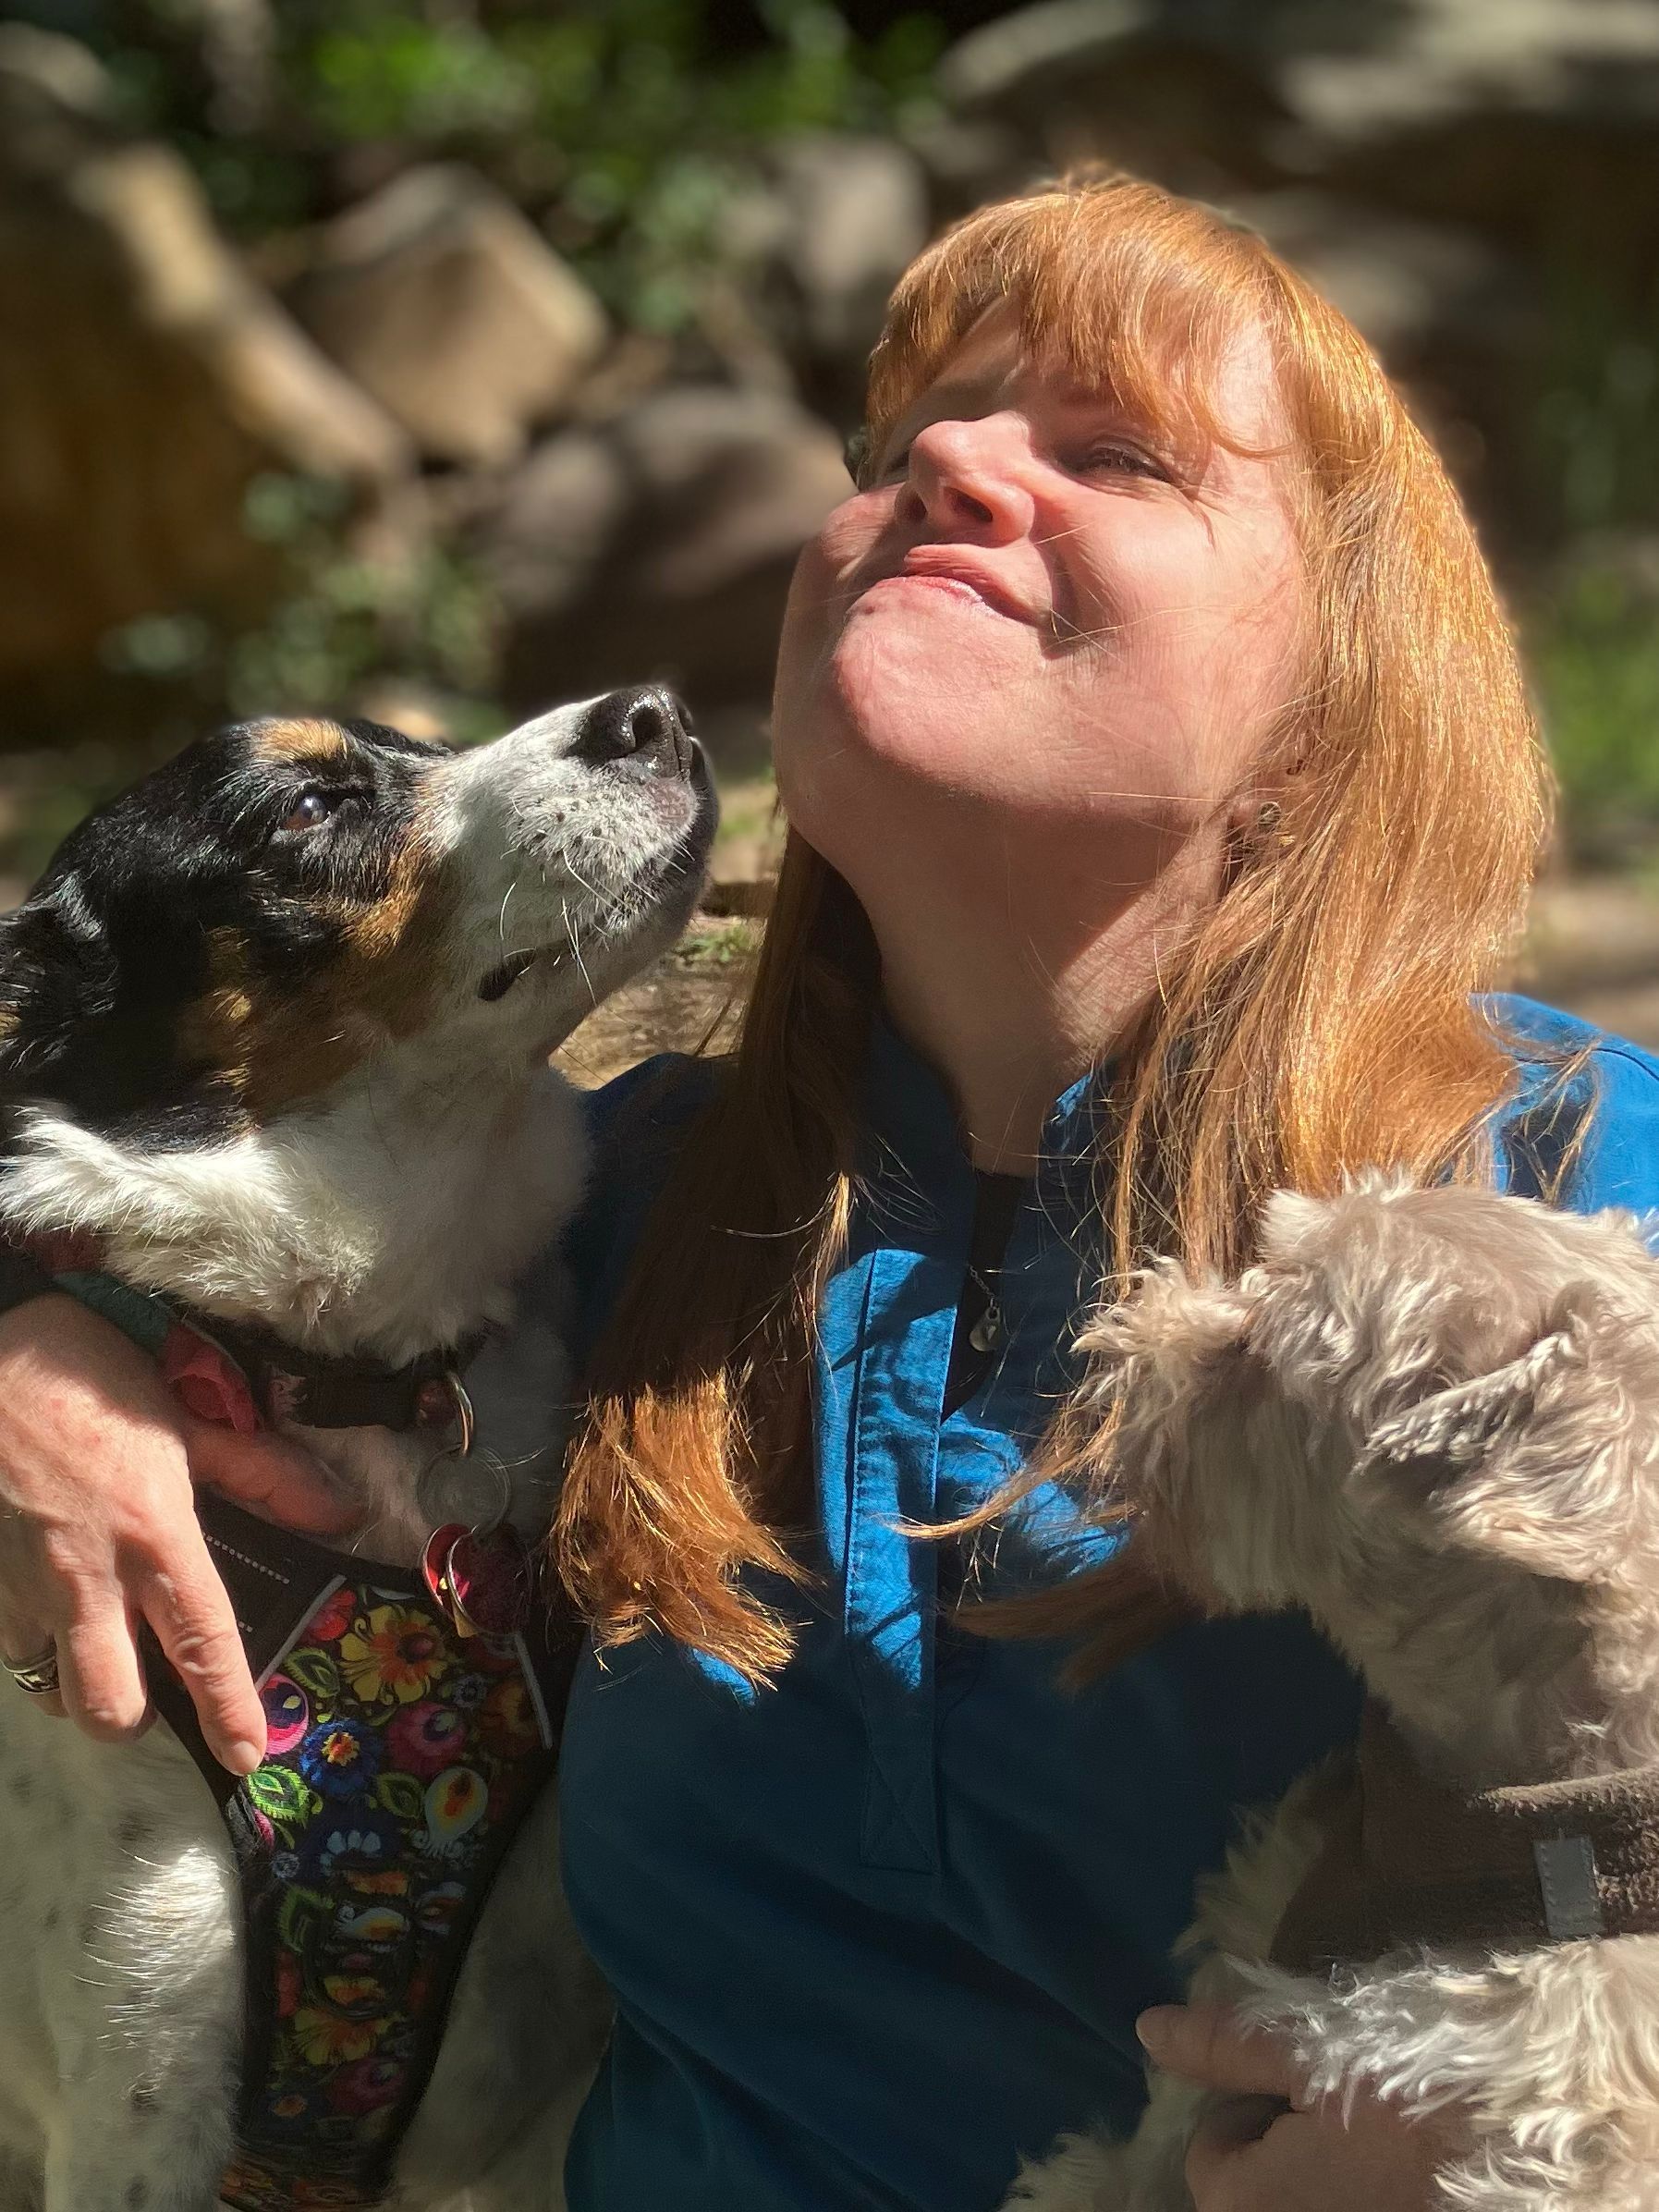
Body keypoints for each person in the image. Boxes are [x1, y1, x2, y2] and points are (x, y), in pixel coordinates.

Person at [2, 173, 1656, 2211]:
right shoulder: (591, 1203)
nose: (947, 468)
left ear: (1335, 696)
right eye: (898, 448)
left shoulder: (1566, 1186)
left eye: (1113, 454)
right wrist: (40, 1340)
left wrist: (1581, 2129)